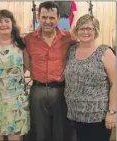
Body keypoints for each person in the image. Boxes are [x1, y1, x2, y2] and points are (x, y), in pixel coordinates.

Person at [24, 1, 74, 141]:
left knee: (61, 131)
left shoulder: (68, 38)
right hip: (37, 90)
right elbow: (26, 63)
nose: (48, 21)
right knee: (39, 132)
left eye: (52, 18)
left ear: (58, 18)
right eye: (44, 17)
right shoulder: (29, 39)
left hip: (61, 91)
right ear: (38, 17)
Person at [63, 14, 116, 141]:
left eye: (89, 28)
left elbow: (115, 83)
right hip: (75, 114)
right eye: (81, 28)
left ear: (96, 31)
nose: (85, 32)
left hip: (98, 117)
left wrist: (112, 112)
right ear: (76, 31)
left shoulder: (105, 52)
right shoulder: (71, 50)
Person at [0, 9, 30, 141]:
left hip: (16, 101)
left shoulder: (21, 45)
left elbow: (27, 67)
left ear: (12, 24)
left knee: (15, 136)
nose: (3, 24)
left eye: (7, 21)